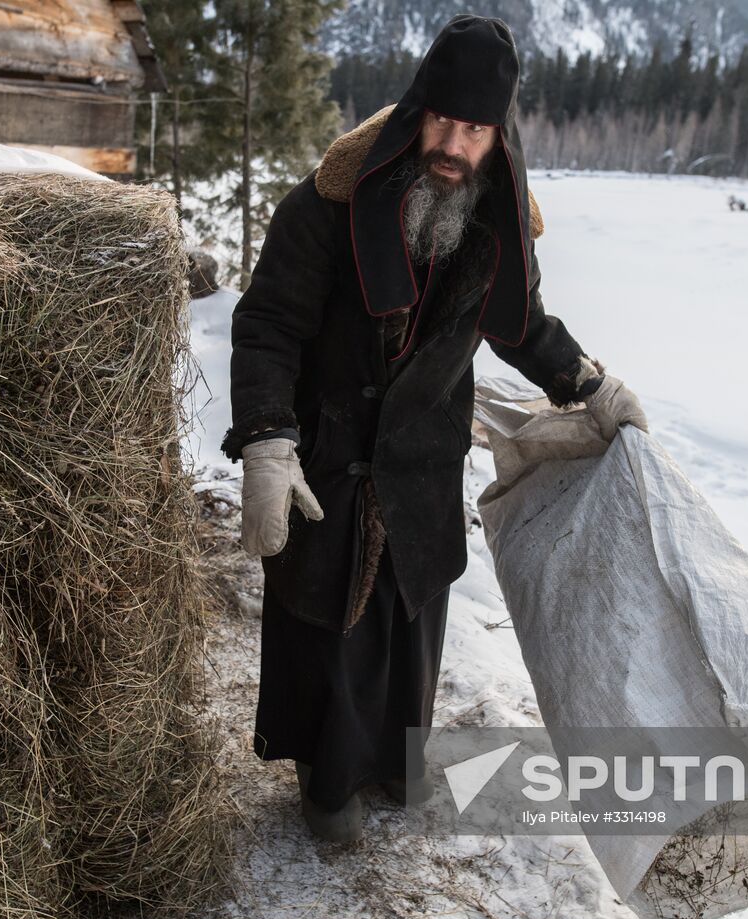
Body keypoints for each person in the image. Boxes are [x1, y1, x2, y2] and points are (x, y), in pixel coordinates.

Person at [220, 14, 648, 843]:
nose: (454, 144)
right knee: (332, 629)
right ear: (419, 110)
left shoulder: (495, 227)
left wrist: (587, 383)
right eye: (444, 122)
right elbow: (267, 323)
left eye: (476, 129)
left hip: (420, 463)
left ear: (499, 134)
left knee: (409, 629)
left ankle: (388, 761)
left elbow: (520, 323)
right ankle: (325, 777)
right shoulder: (329, 204)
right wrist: (268, 439)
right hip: (333, 456)